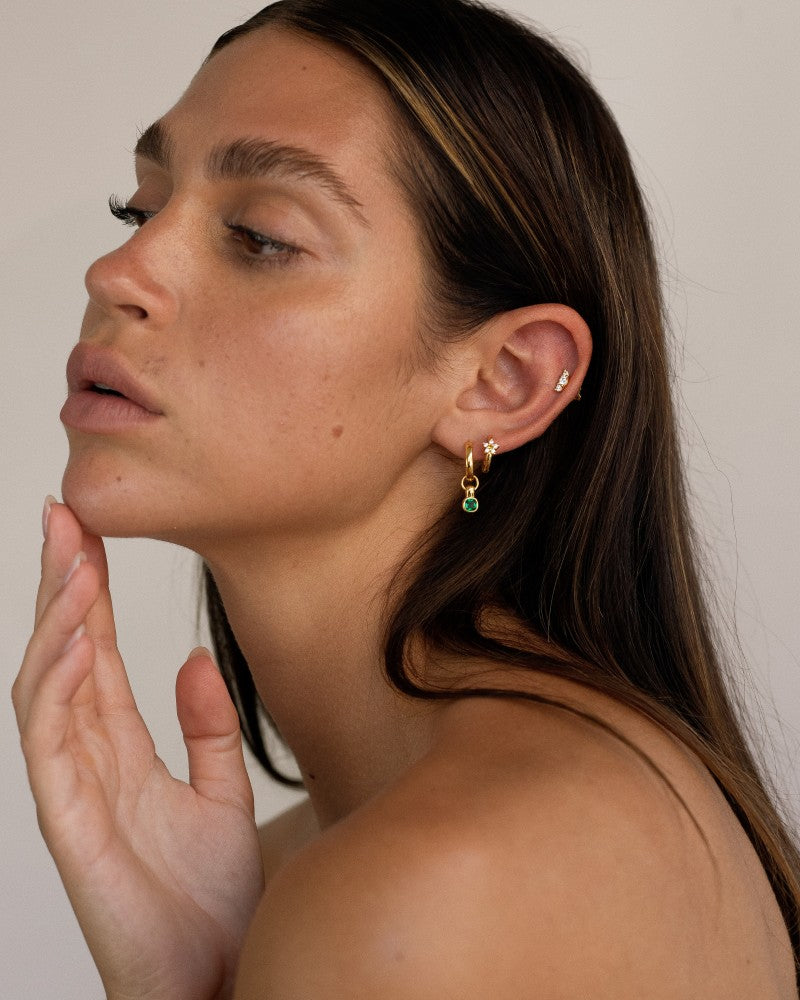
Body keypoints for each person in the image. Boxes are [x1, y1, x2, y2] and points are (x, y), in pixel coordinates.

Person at [12, 0, 800, 996]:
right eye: (140, 205)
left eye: (257, 236)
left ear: (500, 381)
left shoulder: (426, 886)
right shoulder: (401, 846)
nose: (117, 269)